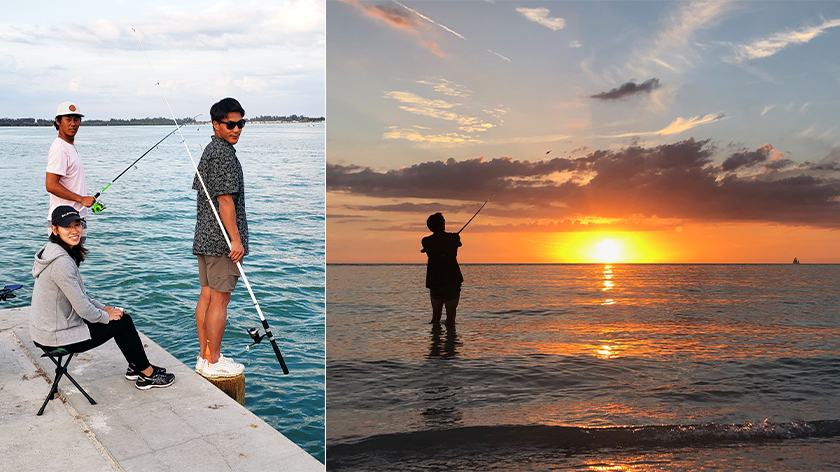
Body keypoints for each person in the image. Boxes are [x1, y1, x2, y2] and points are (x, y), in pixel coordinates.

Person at [30, 206, 175, 390]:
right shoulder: (61, 262)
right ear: (55, 229)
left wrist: (104, 307)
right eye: (67, 227)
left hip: (46, 330)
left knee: (120, 317)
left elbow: (79, 295)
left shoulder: (52, 251)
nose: (74, 231)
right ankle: (147, 374)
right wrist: (105, 317)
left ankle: (135, 365)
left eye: (77, 224)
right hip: (55, 338)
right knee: (123, 322)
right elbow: (82, 307)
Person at [192, 97, 249, 378]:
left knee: (206, 296)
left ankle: (204, 357)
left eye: (240, 123)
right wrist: (235, 240)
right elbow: (225, 200)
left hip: (203, 237)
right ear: (215, 124)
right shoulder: (224, 154)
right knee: (220, 301)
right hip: (221, 242)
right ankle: (214, 361)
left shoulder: (210, 151)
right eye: (230, 124)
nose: (236, 129)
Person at [45, 102, 97, 244]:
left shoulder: (69, 146)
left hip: (76, 219)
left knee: (73, 265)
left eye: (76, 119)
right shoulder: (59, 148)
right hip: (64, 222)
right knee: (64, 264)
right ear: (58, 121)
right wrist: (81, 199)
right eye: (68, 119)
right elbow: (51, 185)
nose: (73, 123)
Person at [421, 212, 464, 326]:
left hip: (435, 281)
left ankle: (435, 342)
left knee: (435, 318)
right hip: (452, 280)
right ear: (442, 224)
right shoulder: (454, 238)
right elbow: (457, 243)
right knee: (450, 318)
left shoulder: (426, 241)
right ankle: (451, 342)